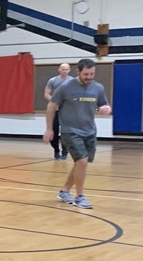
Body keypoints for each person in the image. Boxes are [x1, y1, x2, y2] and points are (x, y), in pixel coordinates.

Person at [42, 58, 111, 209]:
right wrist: (49, 129)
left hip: (90, 131)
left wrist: (106, 109)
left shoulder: (98, 88)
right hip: (70, 130)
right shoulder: (65, 87)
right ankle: (80, 197)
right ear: (78, 72)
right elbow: (51, 106)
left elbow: (103, 105)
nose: (89, 77)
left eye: (92, 74)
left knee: (81, 163)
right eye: (86, 74)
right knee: (82, 162)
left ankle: (64, 191)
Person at [44, 62, 73, 160]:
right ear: (59, 70)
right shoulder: (53, 80)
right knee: (54, 131)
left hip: (67, 111)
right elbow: (46, 94)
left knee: (66, 132)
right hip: (55, 110)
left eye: (66, 69)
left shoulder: (73, 81)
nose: (65, 71)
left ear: (69, 70)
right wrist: (54, 101)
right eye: (63, 69)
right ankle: (56, 150)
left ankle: (65, 152)